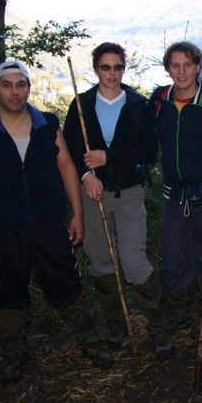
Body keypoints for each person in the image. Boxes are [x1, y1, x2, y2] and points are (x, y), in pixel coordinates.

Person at [0, 60, 111, 382]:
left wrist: (78, 214)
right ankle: (14, 354)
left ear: (29, 88)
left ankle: (91, 342)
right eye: (7, 85)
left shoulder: (47, 126)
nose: (15, 92)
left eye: (21, 85)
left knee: (66, 286)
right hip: (3, 229)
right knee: (7, 292)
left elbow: (68, 168)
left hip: (48, 223)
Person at [63, 43, 159, 350]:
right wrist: (86, 175)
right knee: (102, 262)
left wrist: (109, 158)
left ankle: (159, 327)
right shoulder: (81, 104)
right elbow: (69, 149)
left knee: (134, 262)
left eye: (118, 67)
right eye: (106, 67)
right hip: (92, 195)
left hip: (128, 191)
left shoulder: (137, 104)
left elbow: (148, 151)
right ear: (96, 69)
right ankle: (117, 325)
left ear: (124, 68)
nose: (112, 73)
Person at [146, 41, 202, 358]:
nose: (181, 71)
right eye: (175, 65)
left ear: (198, 67)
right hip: (172, 195)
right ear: (168, 69)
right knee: (172, 259)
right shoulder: (160, 101)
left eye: (187, 64)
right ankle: (173, 318)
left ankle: (200, 319)